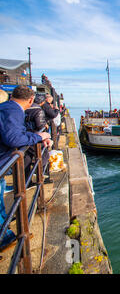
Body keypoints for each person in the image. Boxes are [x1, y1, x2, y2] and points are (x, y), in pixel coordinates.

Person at [0, 86, 52, 248]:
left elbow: (20, 133)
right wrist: (38, 136)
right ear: (30, 100)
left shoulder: (7, 107)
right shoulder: (14, 111)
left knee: (1, 191)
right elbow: (14, 138)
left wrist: (36, 137)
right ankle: (4, 237)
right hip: (2, 160)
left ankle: (5, 221)